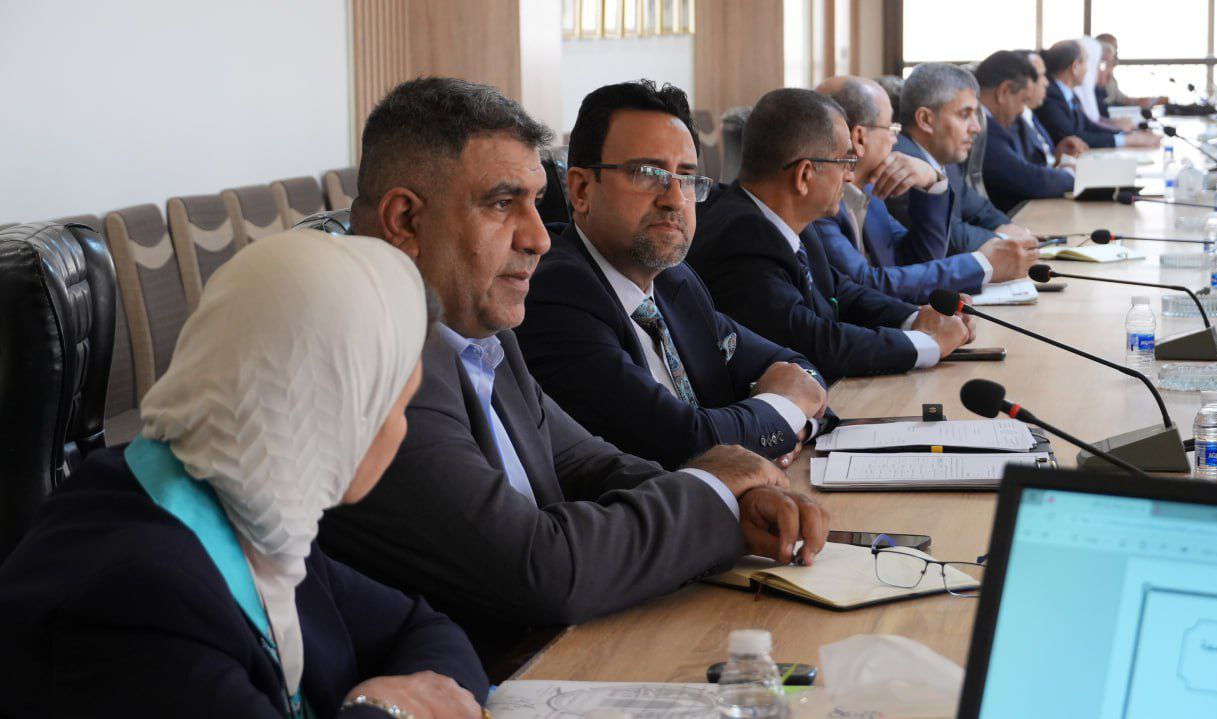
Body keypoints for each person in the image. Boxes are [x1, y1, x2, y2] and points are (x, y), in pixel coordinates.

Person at [319, 77, 830, 679]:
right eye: (502, 204)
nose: (539, 238)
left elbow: (590, 463)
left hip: (563, 656)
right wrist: (712, 490)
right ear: (405, 219)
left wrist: (739, 498)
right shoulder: (374, 356)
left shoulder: (482, 333)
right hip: (479, 682)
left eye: (537, 202)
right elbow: (540, 567)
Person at [0, 229, 490, 718]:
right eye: (399, 404)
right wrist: (385, 709)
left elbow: (428, 630)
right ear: (338, 408)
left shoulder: (255, 506)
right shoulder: (139, 597)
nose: (402, 429)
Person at [516, 80, 828, 470]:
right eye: (647, 173)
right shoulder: (555, 295)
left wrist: (790, 421)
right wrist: (784, 412)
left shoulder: (676, 281)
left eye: (686, 177)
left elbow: (797, 367)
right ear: (581, 190)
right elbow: (686, 444)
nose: (675, 199)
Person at [686, 87, 974, 382]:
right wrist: (928, 343)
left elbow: (840, 291)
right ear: (804, 175)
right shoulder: (741, 238)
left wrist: (915, 317)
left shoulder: (791, 221)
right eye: (845, 161)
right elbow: (814, 341)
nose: (851, 174)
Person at [811, 75, 1038, 302]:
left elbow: (917, 258)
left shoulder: (870, 192)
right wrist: (981, 264)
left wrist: (931, 182)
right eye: (891, 129)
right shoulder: (818, 201)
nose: (895, 141)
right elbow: (864, 285)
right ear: (860, 138)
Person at [886, 62, 1035, 254]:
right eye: (965, 115)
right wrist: (1004, 239)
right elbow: (949, 237)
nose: (977, 128)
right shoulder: (903, 162)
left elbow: (982, 211)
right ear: (925, 120)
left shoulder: (946, 161)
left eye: (975, 115)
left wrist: (1011, 229)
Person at [976, 51, 1077, 213]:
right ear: (1004, 91)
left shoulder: (995, 123)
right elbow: (1028, 179)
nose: (1022, 110)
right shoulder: (980, 128)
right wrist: (1071, 173)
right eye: (1023, 101)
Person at [1035, 40, 1159, 150]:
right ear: (1075, 67)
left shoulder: (1070, 95)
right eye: (1086, 63)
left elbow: (1089, 126)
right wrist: (1126, 140)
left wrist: (1126, 134)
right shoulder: (1051, 96)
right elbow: (1073, 136)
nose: (1088, 70)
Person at [1017, 50, 1088, 169]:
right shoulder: (1012, 124)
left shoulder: (1030, 115)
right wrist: (1067, 172)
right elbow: (1027, 173)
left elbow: (1044, 163)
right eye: (1040, 76)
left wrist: (1057, 157)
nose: (1046, 83)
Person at [1096, 33, 1168, 109]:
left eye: (1116, 49)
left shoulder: (1110, 77)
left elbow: (1122, 99)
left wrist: (1145, 101)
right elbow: (1107, 106)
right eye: (1113, 48)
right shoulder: (1098, 79)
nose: (1116, 53)